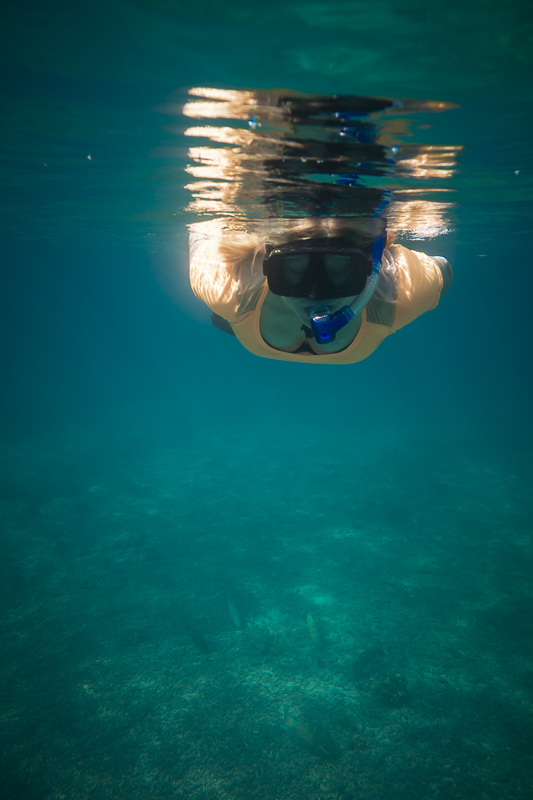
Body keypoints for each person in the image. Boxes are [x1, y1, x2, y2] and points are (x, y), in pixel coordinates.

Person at [189, 216, 452, 365]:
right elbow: (201, 237)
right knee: (228, 316)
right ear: (269, 266)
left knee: (232, 316)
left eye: (340, 272)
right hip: (243, 313)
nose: (315, 295)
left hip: (244, 319)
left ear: (369, 269)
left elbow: (442, 271)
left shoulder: (395, 292)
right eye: (293, 272)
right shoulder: (233, 286)